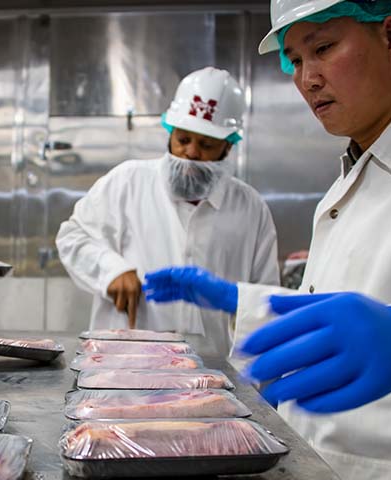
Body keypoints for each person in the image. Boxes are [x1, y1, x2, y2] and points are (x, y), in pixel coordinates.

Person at [143, 1, 391, 480]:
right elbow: (337, 313)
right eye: (294, 60)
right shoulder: (353, 178)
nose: (306, 78)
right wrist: (240, 301)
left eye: (323, 48)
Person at [56, 67, 279, 355]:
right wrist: (111, 270)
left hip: (211, 375)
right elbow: (72, 237)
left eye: (206, 144)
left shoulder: (250, 208)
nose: (191, 153)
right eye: (183, 139)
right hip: (124, 370)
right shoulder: (127, 181)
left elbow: (266, 298)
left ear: (227, 147)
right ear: (170, 132)